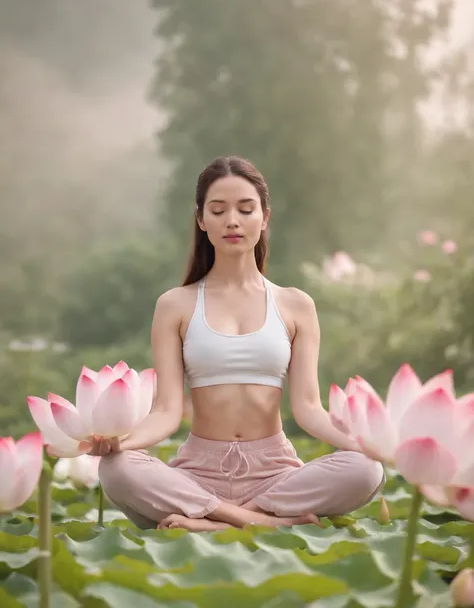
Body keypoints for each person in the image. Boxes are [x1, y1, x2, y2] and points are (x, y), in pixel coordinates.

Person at [95, 156, 385, 532]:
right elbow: (166, 412)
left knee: (365, 469)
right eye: (218, 210)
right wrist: (119, 441)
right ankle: (255, 522)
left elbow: (309, 409)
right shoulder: (174, 305)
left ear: (264, 217)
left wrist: (370, 443)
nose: (232, 220)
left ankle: (211, 521)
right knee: (117, 468)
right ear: (201, 220)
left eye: (245, 209)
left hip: (275, 475)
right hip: (198, 473)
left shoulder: (296, 305)